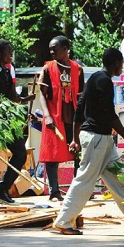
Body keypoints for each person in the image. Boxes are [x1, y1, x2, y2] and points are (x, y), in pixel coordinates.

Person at [52, 48, 124, 235]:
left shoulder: (94, 79)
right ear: (116, 62)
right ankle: (64, 221)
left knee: (117, 181)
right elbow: (110, 115)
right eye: (121, 63)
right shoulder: (105, 81)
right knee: (84, 180)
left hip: (102, 141)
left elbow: (79, 109)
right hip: (97, 140)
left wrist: (75, 138)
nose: (122, 67)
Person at [0, 39, 35, 204]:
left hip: (7, 121)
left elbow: (12, 98)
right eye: (9, 51)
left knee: (20, 153)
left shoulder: (7, 71)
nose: (11, 54)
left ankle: (2, 189)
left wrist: (26, 99)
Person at [38, 36, 84, 201]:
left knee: (79, 151)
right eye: (50, 49)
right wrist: (47, 115)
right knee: (52, 154)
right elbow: (41, 95)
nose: (51, 52)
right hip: (54, 116)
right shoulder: (47, 69)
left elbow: (80, 96)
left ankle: (78, 189)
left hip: (73, 116)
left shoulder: (77, 69)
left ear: (65, 49)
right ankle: (54, 191)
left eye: (55, 49)